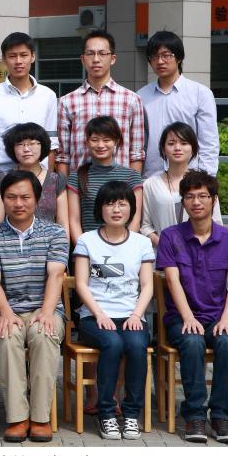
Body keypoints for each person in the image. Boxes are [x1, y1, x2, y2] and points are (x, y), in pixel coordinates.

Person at [156, 170, 228, 444]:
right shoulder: (170, 237)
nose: (196, 202)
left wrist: (227, 319)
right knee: (192, 341)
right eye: (190, 196)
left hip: (218, 317)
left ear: (213, 200)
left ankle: (221, 417)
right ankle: (194, 415)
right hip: (180, 318)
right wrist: (187, 317)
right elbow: (172, 280)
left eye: (203, 196)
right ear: (183, 202)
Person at [0, 171, 68, 443]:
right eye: (11, 197)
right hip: (5, 308)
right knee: (7, 334)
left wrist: (47, 312)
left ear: (37, 199)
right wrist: (6, 313)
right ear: (3, 199)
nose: (18, 203)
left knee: (44, 333)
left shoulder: (55, 232)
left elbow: (56, 274)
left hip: (45, 307)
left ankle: (40, 418)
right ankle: (18, 417)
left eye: (25, 197)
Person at [73, 181, 154, 441]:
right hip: (94, 316)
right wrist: (99, 314)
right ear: (100, 208)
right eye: (110, 204)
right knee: (113, 343)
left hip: (131, 315)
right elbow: (81, 284)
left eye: (122, 204)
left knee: (136, 345)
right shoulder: (87, 240)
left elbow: (147, 285)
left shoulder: (141, 243)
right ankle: (106, 412)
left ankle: (131, 414)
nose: (116, 210)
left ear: (131, 209)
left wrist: (136, 315)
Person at [56, 29, 145, 176]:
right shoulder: (67, 102)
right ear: (82, 59)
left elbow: (136, 153)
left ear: (113, 59)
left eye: (102, 53)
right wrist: (65, 187)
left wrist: (132, 186)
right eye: (90, 53)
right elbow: (63, 155)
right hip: (80, 185)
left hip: (119, 185)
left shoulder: (131, 100)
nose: (96, 59)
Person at [139, 31, 220, 178]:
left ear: (179, 57)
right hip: (152, 178)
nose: (160, 61)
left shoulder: (200, 94)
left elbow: (209, 142)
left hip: (190, 179)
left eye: (166, 55)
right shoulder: (140, 96)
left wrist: (205, 178)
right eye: (154, 56)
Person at [0, 32, 59, 172]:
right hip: (0, 175)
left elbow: (51, 143)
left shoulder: (48, 96)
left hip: (37, 176)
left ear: (33, 57)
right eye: (12, 56)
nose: (18, 61)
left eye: (24, 55)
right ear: (4, 58)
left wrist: (46, 180)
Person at [141, 122, 223, 249]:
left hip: (199, 253)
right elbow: (145, 226)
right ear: (163, 149)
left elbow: (216, 222)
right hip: (163, 256)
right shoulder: (150, 185)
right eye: (171, 143)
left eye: (184, 143)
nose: (177, 148)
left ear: (193, 148)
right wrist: (165, 245)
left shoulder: (204, 182)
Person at [67, 117, 143, 245]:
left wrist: (124, 247)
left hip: (124, 247)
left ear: (116, 141)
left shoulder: (132, 176)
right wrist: (84, 249)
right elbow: (74, 220)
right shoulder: (76, 177)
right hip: (89, 248)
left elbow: (135, 220)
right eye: (95, 140)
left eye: (106, 140)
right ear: (87, 142)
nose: (100, 145)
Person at [0, 123, 69, 230]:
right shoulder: (1, 179)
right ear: (12, 148)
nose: (26, 149)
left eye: (32, 143)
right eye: (20, 144)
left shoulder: (56, 180)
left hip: (51, 240)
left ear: (43, 145)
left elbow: (63, 223)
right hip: (10, 239)